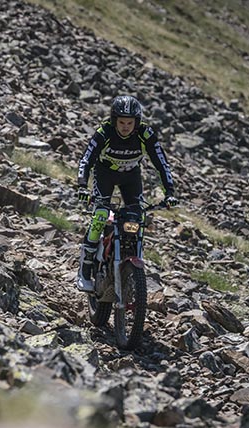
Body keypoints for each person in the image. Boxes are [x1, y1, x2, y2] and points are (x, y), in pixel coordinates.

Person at [76, 95, 178, 292]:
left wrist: (170, 192)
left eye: (129, 123)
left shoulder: (145, 134)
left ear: (136, 122)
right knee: (101, 215)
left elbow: (161, 164)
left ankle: (132, 261)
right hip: (105, 173)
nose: (125, 127)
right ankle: (85, 269)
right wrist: (82, 185)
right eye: (121, 122)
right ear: (114, 120)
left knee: (136, 218)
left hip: (131, 176)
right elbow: (86, 160)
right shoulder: (104, 132)